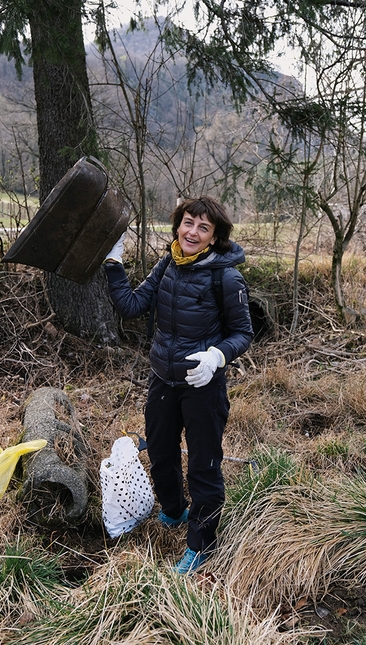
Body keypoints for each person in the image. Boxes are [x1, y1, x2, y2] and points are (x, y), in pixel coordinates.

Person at [103, 196, 253, 574]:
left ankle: (201, 545)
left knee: (203, 465)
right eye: (188, 222)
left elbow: (243, 333)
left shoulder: (226, 276)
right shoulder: (169, 262)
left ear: (214, 237)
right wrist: (113, 262)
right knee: (162, 453)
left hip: (203, 385)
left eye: (203, 228)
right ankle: (173, 511)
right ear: (177, 224)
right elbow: (133, 307)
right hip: (163, 378)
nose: (192, 232)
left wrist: (217, 357)